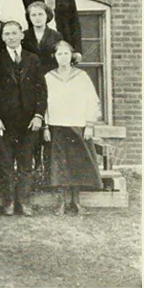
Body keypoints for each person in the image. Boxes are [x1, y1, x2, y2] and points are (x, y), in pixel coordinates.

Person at [0, 21, 47, 216]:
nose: (11, 37)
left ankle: (25, 201)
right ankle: (9, 202)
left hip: (29, 122)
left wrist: (38, 115)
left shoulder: (33, 59)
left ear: (22, 35)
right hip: (4, 122)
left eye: (14, 33)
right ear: (2, 37)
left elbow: (41, 90)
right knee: (5, 163)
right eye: (7, 34)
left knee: (26, 163)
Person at [42, 40, 101, 216]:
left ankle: (76, 202)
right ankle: (62, 202)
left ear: (72, 56)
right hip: (57, 126)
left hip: (78, 125)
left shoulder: (81, 76)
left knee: (77, 164)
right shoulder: (49, 77)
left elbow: (92, 100)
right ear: (55, 57)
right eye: (59, 54)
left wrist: (89, 124)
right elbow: (44, 103)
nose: (63, 57)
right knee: (60, 165)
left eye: (66, 53)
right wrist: (45, 126)